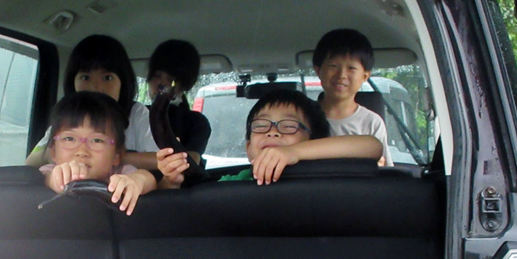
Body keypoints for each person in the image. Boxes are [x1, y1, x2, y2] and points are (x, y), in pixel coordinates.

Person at [158, 89, 381, 185]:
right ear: (248, 148)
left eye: (289, 125)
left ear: (314, 142)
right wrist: (171, 180)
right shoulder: (235, 183)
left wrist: (292, 153)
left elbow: (372, 146)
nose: (272, 131)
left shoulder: (325, 178)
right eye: (261, 125)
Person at [26, 34, 159, 171]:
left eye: (107, 78)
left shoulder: (136, 113)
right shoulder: (68, 116)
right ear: (73, 81)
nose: (95, 88)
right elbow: (31, 162)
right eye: (85, 77)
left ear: (123, 82)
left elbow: (159, 160)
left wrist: (109, 156)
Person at [42, 91, 157, 215]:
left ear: (116, 155)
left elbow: (148, 179)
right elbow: (44, 178)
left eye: (97, 140)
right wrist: (54, 180)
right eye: (69, 139)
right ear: (53, 151)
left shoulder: (119, 173)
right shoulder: (51, 171)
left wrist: (137, 180)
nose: (82, 151)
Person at [312, 28, 393, 166]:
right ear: (318, 70)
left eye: (351, 68)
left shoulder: (371, 122)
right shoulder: (303, 117)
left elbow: (384, 171)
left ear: (365, 76)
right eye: (333, 66)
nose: (342, 75)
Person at [146, 39, 212, 175]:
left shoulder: (196, 122)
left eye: (171, 80)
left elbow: (190, 163)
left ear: (184, 84)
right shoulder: (136, 115)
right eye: (157, 76)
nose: (162, 84)